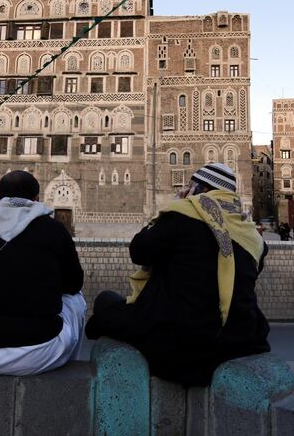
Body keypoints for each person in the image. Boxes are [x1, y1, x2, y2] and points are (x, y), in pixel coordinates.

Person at [85, 162, 270, 386]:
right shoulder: (252, 235)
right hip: (238, 340)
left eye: (190, 186)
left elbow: (139, 251)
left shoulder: (182, 216)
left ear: (198, 190)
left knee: (106, 301)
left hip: (179, 349)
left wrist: (174, 206)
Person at [0, 170, 86, 376]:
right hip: (39, 350)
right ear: (36, 199)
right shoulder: (54, 229)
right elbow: (74, 284)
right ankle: (68, 372)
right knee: (76, 299)